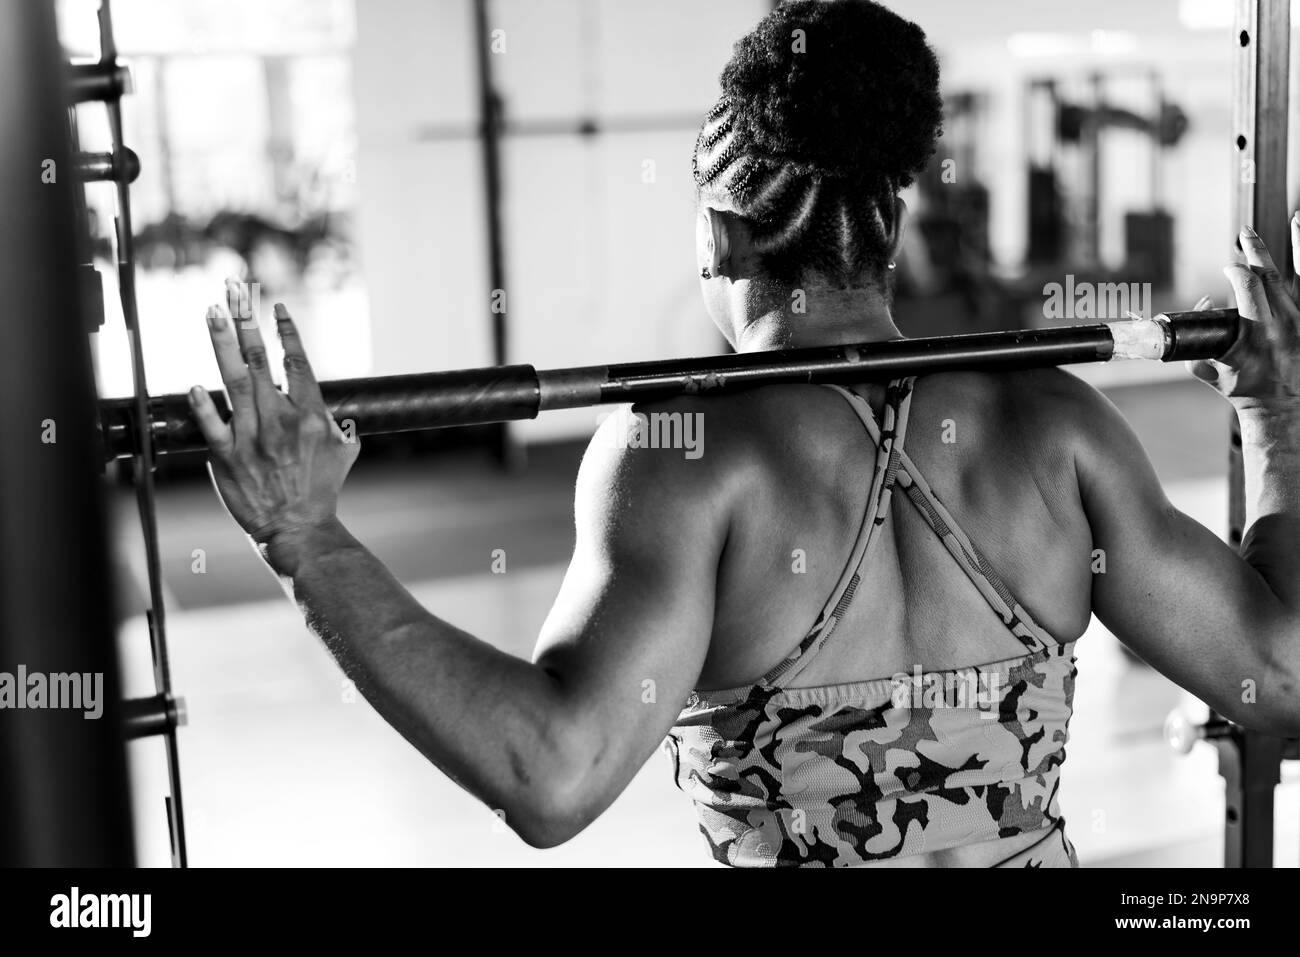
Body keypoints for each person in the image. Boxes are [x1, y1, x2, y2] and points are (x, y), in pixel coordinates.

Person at [186, 0, 1300, 867]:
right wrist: (1275, 409)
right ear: (895, 224)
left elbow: (551, 772)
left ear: (721, 233)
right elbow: (1279, 681)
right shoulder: (1055, 422)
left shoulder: (681, 455)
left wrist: (309, 543)